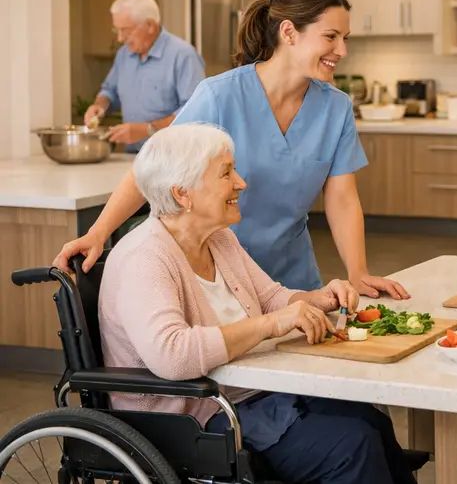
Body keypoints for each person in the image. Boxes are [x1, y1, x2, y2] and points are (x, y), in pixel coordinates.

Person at [98, 123, 416, 484]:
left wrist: (319, 299)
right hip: (194, 419)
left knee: (369, 418)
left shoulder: (219, 239)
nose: (241, 183)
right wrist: (272, 323)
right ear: (182, 194)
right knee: (352, 446)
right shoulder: (146, 257)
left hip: (249, 396)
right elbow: (172, 354)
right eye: (226, 173)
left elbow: (269, 298)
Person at [57, 0, 408, 299]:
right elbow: (150, 170)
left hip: (292, 278)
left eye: (344, 39)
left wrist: (358, 271)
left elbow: (342, 198)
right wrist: (98, 233)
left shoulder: (336, 107)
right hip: (217, 279)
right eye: (330, 37)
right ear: (289, 32)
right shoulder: (219, 95)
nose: (341, 51)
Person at [84, 0, 204, 152]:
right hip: (133, 158)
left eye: (126, 30)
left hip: (173, 162)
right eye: (117, 30)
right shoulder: (124, 55)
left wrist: (147, 130)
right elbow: (110, 91)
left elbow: (194, 113)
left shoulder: (183, 56)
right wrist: (100, 106)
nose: (120, 38)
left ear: (150, 25)